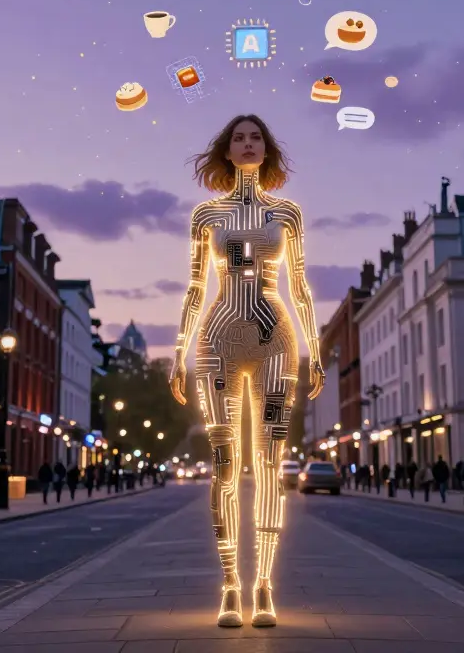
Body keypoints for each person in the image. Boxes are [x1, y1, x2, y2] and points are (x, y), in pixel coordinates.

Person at [168, 115, 325, 629]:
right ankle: (231, 585)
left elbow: (299, 286)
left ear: (267, 149)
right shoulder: (207, 215)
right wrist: (179, 351)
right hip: (218, 341)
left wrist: (315, 349)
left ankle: (265, 586)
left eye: (256, 137)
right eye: (239, 138)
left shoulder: (287, 214)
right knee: (225, 467)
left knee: (270, 464)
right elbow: (196, 288)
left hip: (276, 342)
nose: (248, 144)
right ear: (227, 151)